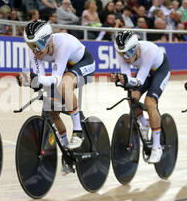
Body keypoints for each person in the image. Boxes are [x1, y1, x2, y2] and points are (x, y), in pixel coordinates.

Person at [18, 20, 96, 175]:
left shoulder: (63, 43)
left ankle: (78, 131)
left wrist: (37, 79)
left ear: (47, 40)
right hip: (65, 69)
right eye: (30, 44)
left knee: (65, 84)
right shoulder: (34, 50)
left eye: (37, 45)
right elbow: (40, 79)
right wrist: (30, 81)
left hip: (84, 64)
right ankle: (67, 152)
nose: (34, 50)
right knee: (51, 110)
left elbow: (56, 79)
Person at [110, 31, 171, 164]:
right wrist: (121, 79)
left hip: (160, 70)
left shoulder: (148, 51)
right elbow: (128, 79)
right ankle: (144, 123)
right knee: (132, 96)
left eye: (127, 54)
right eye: (121, 54)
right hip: (145, 72)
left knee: (149, 103)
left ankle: (157, 147)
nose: (124, 57)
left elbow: (140, 81)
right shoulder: (122, 53)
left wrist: (126, 79)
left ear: (136, 48)